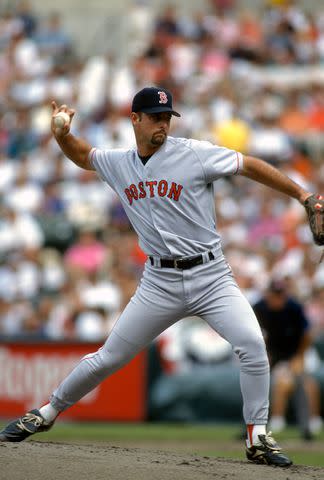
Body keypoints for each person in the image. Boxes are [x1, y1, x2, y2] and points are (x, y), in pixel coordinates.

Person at [0, 86, 319, 467]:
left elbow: (248, 164)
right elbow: (84, 156)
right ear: (134, 119)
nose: (162, 124)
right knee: (109, 357)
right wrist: (63, 136)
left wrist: (303, 196)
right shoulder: (119, 162)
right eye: (155, 117)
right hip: (159, 281)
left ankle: (258, 436)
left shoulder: (194, 153)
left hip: (210, 275)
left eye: (167, 117)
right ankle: (47, 412)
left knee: (252, 345)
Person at [253, 279, 323, 440]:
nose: (278, 299)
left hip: (295, 351)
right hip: (272, 352)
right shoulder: (259, 307)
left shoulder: (294, 307)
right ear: (268, 295)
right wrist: (264, 354)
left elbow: (306, 335)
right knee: (255, 381)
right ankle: (250, 428)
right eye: (274, 295)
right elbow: (256, 333)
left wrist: (299, 357)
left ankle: (306, 429)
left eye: (281, 295)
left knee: (301, 382)